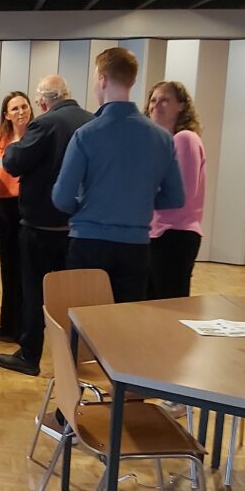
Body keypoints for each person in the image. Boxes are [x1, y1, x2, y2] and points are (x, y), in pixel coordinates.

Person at [52, 48, 185, 303]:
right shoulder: (162, 138)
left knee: (84, 317)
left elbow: (61, 197)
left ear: (102, 79)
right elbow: (175, 197)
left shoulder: (86, 134)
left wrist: (85, 206)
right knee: (124, 321)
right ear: (132, 81)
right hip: (136, 245)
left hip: (89, 240)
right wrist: (140, 200)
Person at [0, 74, 93, 377]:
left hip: (40, 222)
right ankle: (71, 353)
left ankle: (29, 354)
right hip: (77, 224)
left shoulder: (45, 124)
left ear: (41, 102)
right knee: (70, 292)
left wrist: (13, 148)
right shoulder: (90, 121)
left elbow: (14, 162)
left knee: (34, 291)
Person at [143, 81, 206, 299]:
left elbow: (181, 194)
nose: (156, 105)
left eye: (164, 100)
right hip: (157, 233)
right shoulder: (162, 143)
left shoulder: (185, 139)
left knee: (169, 307)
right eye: (153, 100)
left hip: (174, 235)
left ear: (181, 106)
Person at [0, 91, 33, 342]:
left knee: (25, 266)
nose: (21, 112)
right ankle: (8, 324)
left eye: (24, 106)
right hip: (3, 206)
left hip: (27, 205)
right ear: (6, 115)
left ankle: (25, 326)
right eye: (15, 109)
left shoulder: (35, 136)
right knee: (9, 266)